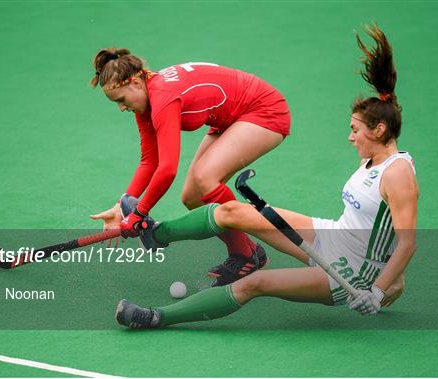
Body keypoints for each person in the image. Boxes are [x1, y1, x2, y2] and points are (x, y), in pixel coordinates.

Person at [115, 23, 418, 328]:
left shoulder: (398, 174)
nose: (351, 138)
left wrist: (378, 290)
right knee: (233, 211)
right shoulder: (373, 159)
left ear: (379, 131)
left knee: (254, 284)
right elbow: (383, 228)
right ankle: (155, 233)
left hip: (352, 271)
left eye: (356, 131)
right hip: (332, 235)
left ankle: (156, 317)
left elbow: (406, 244)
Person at [89, 49, 292, 285]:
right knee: (192, 196)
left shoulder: (163, 97)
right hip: (229, 119)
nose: (122, 108)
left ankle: (243, 255)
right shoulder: (145, 100)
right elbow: (149, 161)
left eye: (121, 101)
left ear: (134, 82)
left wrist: (139, 213)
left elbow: (167, 169)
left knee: (205, 178)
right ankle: (250, 251)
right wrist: (121, 205)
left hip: (264, 110)